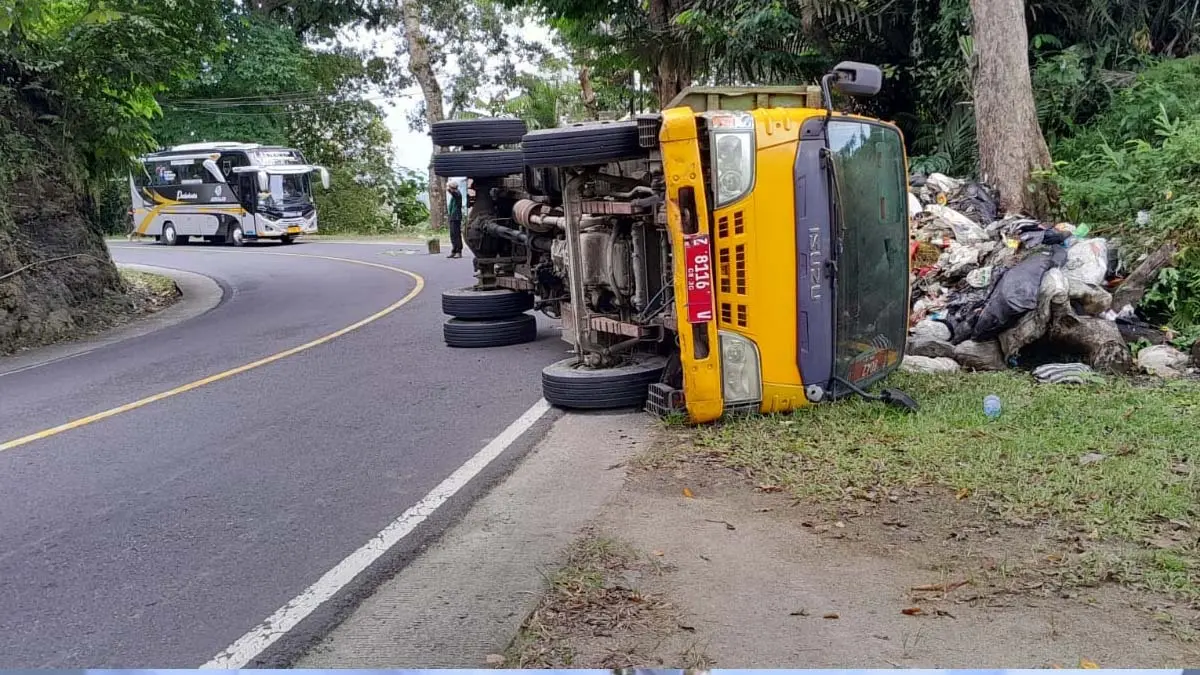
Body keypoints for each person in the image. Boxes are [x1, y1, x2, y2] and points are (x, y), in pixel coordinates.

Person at [446, 179, 464, 258]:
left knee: (456, 234)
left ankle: (458, 251)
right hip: (452, 216)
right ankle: (454, 250)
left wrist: (449, 188)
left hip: (456, 217)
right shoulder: (454, 195)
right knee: (452, 234)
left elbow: (453, 193)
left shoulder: (457, 193)